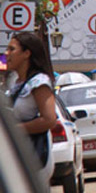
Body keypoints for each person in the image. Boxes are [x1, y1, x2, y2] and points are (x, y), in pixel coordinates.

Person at [5, 32, 57, 179]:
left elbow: (49, 119)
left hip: (31, 158)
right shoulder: (14, 81)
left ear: (27, 53)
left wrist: (15, 130)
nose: (6, 53)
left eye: (12, 49)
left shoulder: (39, 82)